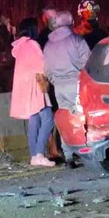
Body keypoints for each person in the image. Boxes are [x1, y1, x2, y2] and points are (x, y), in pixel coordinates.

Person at [44, 11, 91, 169]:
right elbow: (88, 62)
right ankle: (86, 149)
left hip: (59, 87)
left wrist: (56, 81)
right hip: (76, 83)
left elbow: (47, 70)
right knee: (81, 117)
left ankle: (68, 154)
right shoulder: (76, 39)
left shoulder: (48, 44)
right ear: (71, 23)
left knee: (65, 119)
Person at [9, 18, 55, 167]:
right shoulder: (32, 45)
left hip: (23, 89)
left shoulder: (20, 47)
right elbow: (42, 66)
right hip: (35, 88)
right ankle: (40, 154)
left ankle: (34, 155)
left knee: (34, 121)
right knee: (48, 118)